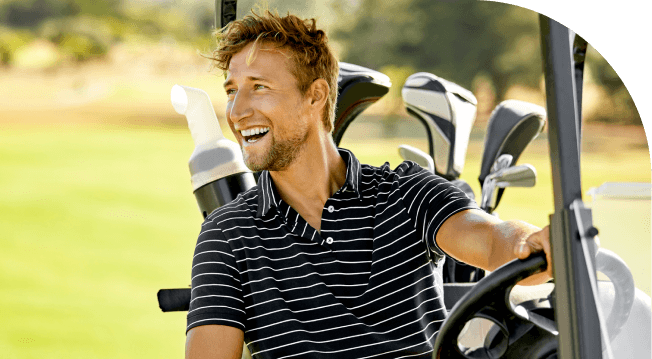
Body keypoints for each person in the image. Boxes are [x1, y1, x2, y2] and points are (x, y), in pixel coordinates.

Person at [184, 9, 552, 359]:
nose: (236, 112)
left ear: (315, 96)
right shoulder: (227, 234)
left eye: (259, 87)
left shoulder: (406, 192)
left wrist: (529, 243)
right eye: (232, 91)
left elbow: (491, 240)